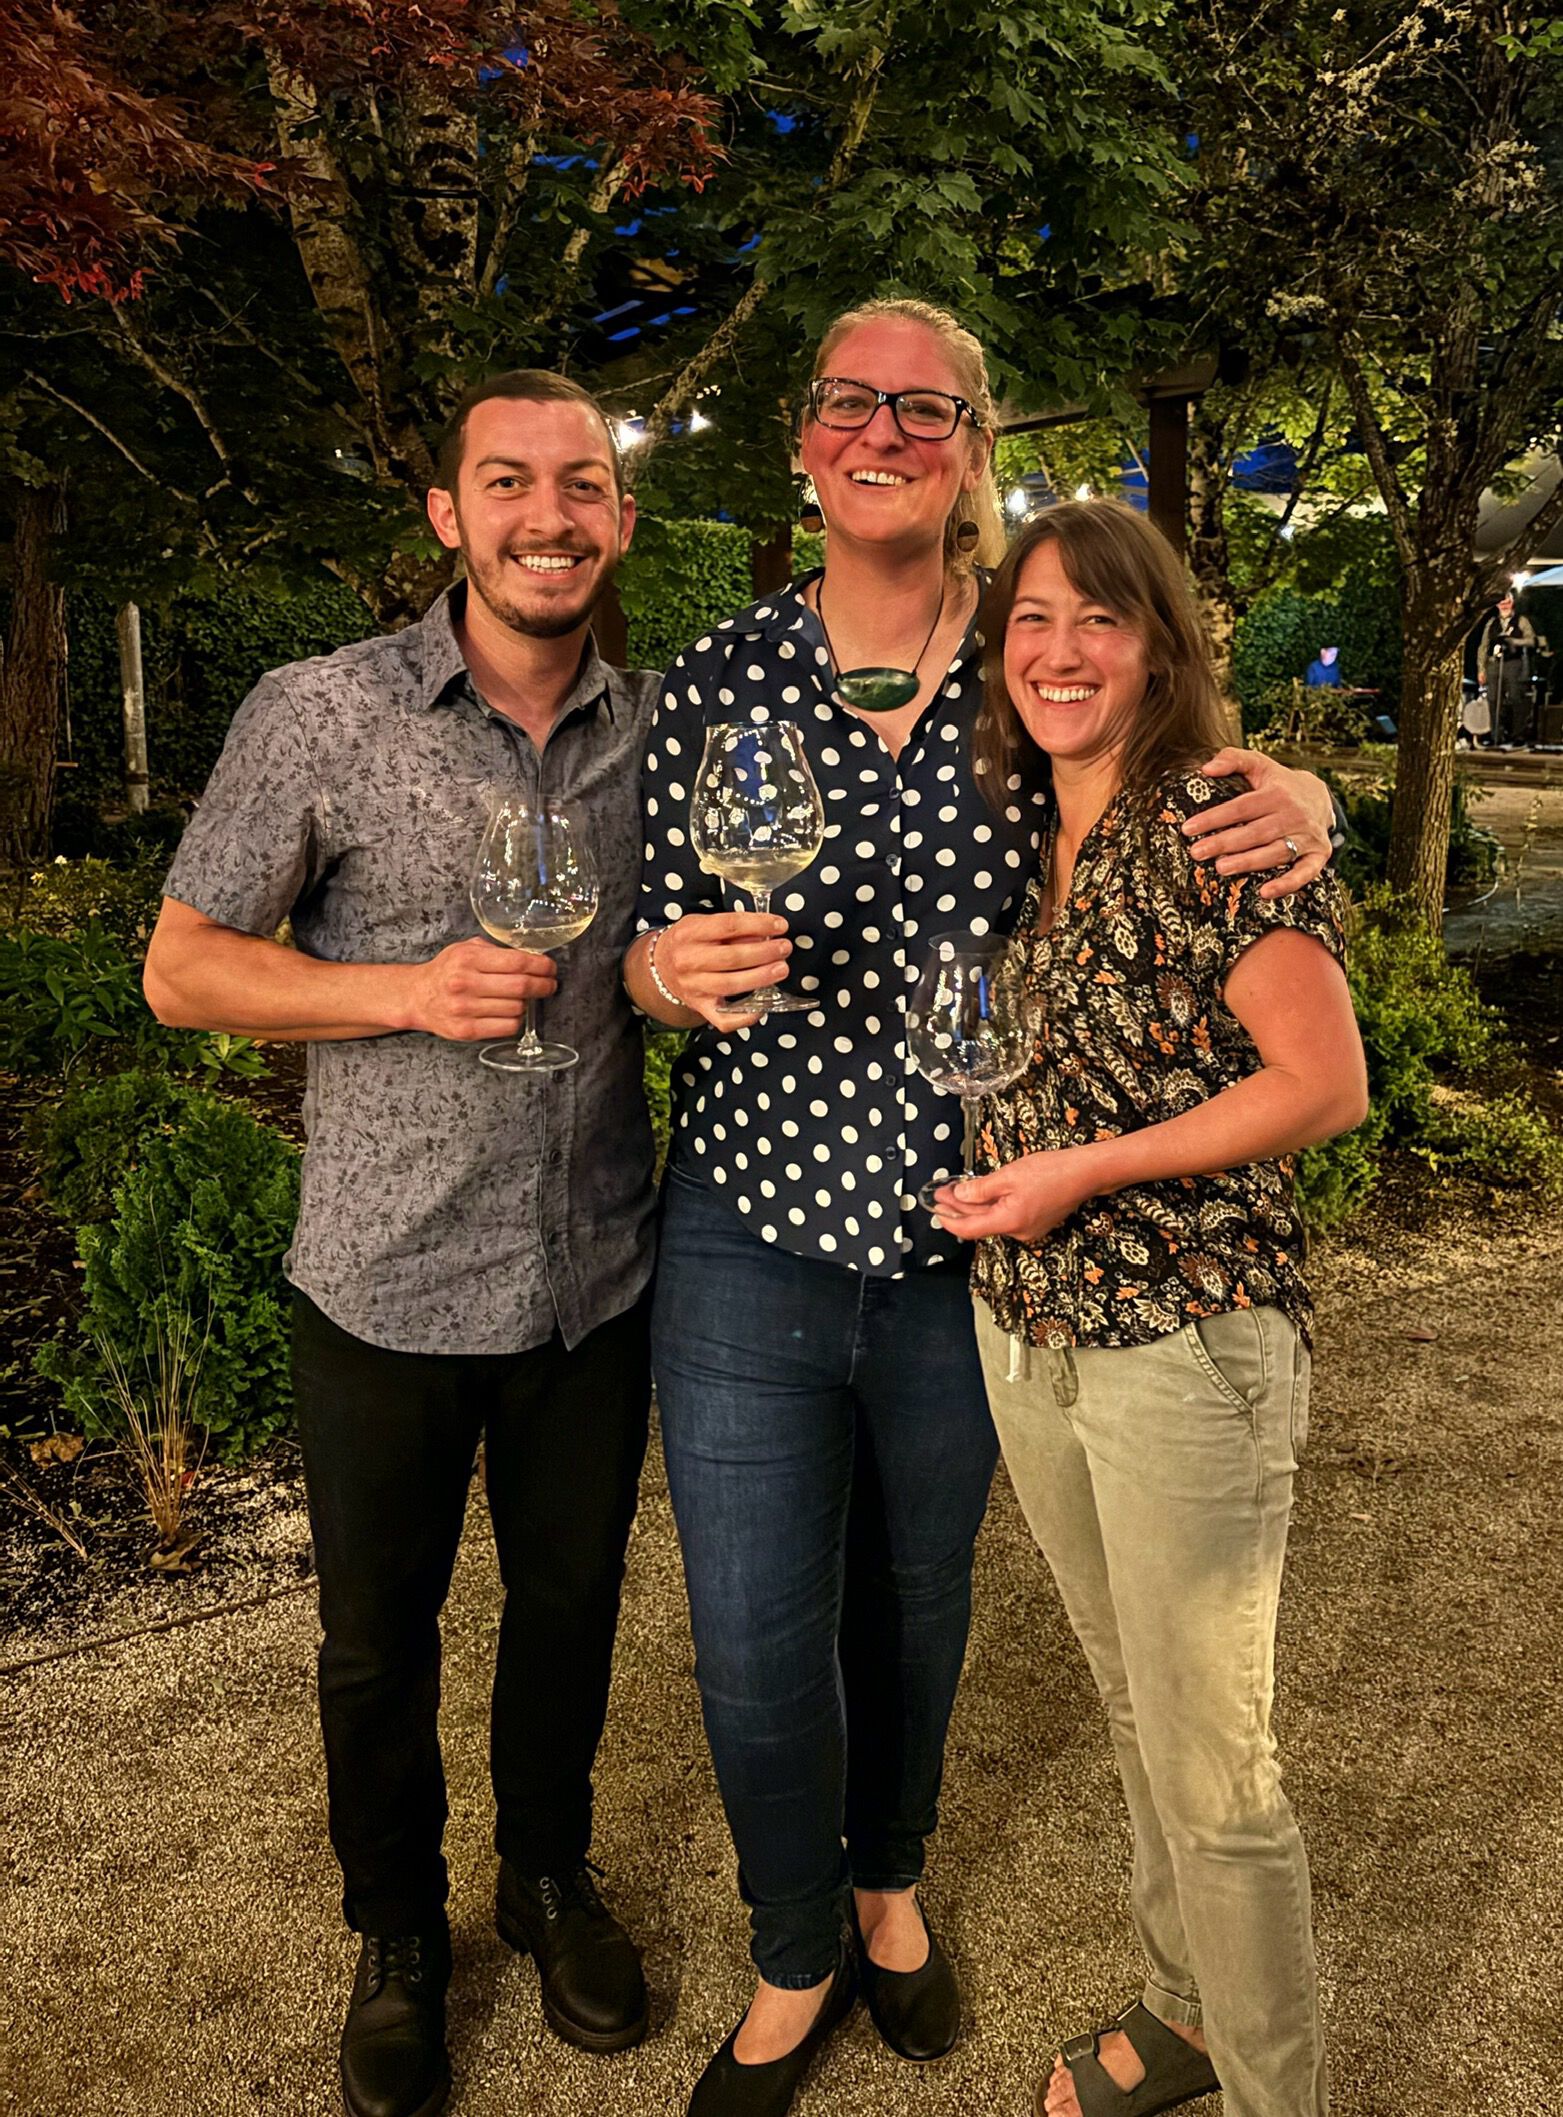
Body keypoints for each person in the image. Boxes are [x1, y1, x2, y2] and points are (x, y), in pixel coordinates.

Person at [621, 298, 1340, 2117]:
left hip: (980, 1249)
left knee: (921, 1599)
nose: (883, 429)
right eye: (848, 401)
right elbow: (633, 933)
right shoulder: (717, 678)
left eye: (924, 406)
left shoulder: (1030, 677)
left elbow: (1187, 799)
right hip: (755, 1222)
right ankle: (792, 1955)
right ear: (802, 440)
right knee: (759, 1629)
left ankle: (887, 1899)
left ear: (977, 447)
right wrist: (659, 968)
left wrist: (1301, 790)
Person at [142, 371, 658, 2117]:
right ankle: (399, 1931)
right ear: (447, 513)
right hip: (382, 1279)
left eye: (579, 484)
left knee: (570, 1607)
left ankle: (545, 1873)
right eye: (506, 481)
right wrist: (397, 995)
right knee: (378, 1636)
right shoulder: (322, 713)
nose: (546, 514)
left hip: (592, 1272)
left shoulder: (652, 729)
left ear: (618, 520)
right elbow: (183, 964)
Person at [935, 498, 1367, 2117]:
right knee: (1130, 1701)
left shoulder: (1207, 821)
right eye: (1030, 620)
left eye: (1096, 621)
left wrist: (1081, 1168)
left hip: (1183, 1337)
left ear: (1158, 648)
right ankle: (1182, 2010)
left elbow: (1321, 1081)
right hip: (1032, 1323)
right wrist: (1008, 1181)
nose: (1057, 651)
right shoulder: (1028, 820)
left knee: (1219, 1775)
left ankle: (1277, 2097)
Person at [1477, 591, 1539, 746]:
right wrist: (1481, 669)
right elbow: (1483, 646)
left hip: (1513, 663)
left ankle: (1517, 734)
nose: (1504, 606)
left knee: (1516, 698)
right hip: (1494, 663)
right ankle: (1495, 734)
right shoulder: (1492, 623)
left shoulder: (1521, 621)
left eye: (1507, 603)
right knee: (1493, 699)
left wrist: (1514, 642)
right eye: (1501, 604)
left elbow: (1531, 640)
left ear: (1512, 603)